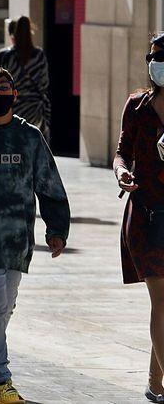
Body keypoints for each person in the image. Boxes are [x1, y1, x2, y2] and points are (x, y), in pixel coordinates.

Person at [0, 66, 69, 404]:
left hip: (19, 240)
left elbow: (49, 184)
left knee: (7, 306)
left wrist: (56, 229)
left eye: (4, 86)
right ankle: (0, 380)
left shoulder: (29, 136)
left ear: (15, 94)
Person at [114, 33, 164, 403]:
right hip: (146, 216)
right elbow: (120, 153)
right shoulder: (137, 106)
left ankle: (154, 382)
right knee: (160, 299)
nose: (157, 64)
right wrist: (121, 173)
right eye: (154, 57)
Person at [0, 17, 51, 142]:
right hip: (35, 108)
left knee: (13, 143)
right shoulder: (38, 55)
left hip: (11, 106)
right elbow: (44, 83)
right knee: (33, 142)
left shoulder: (5, 55)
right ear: (30, 33)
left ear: (13, 34)